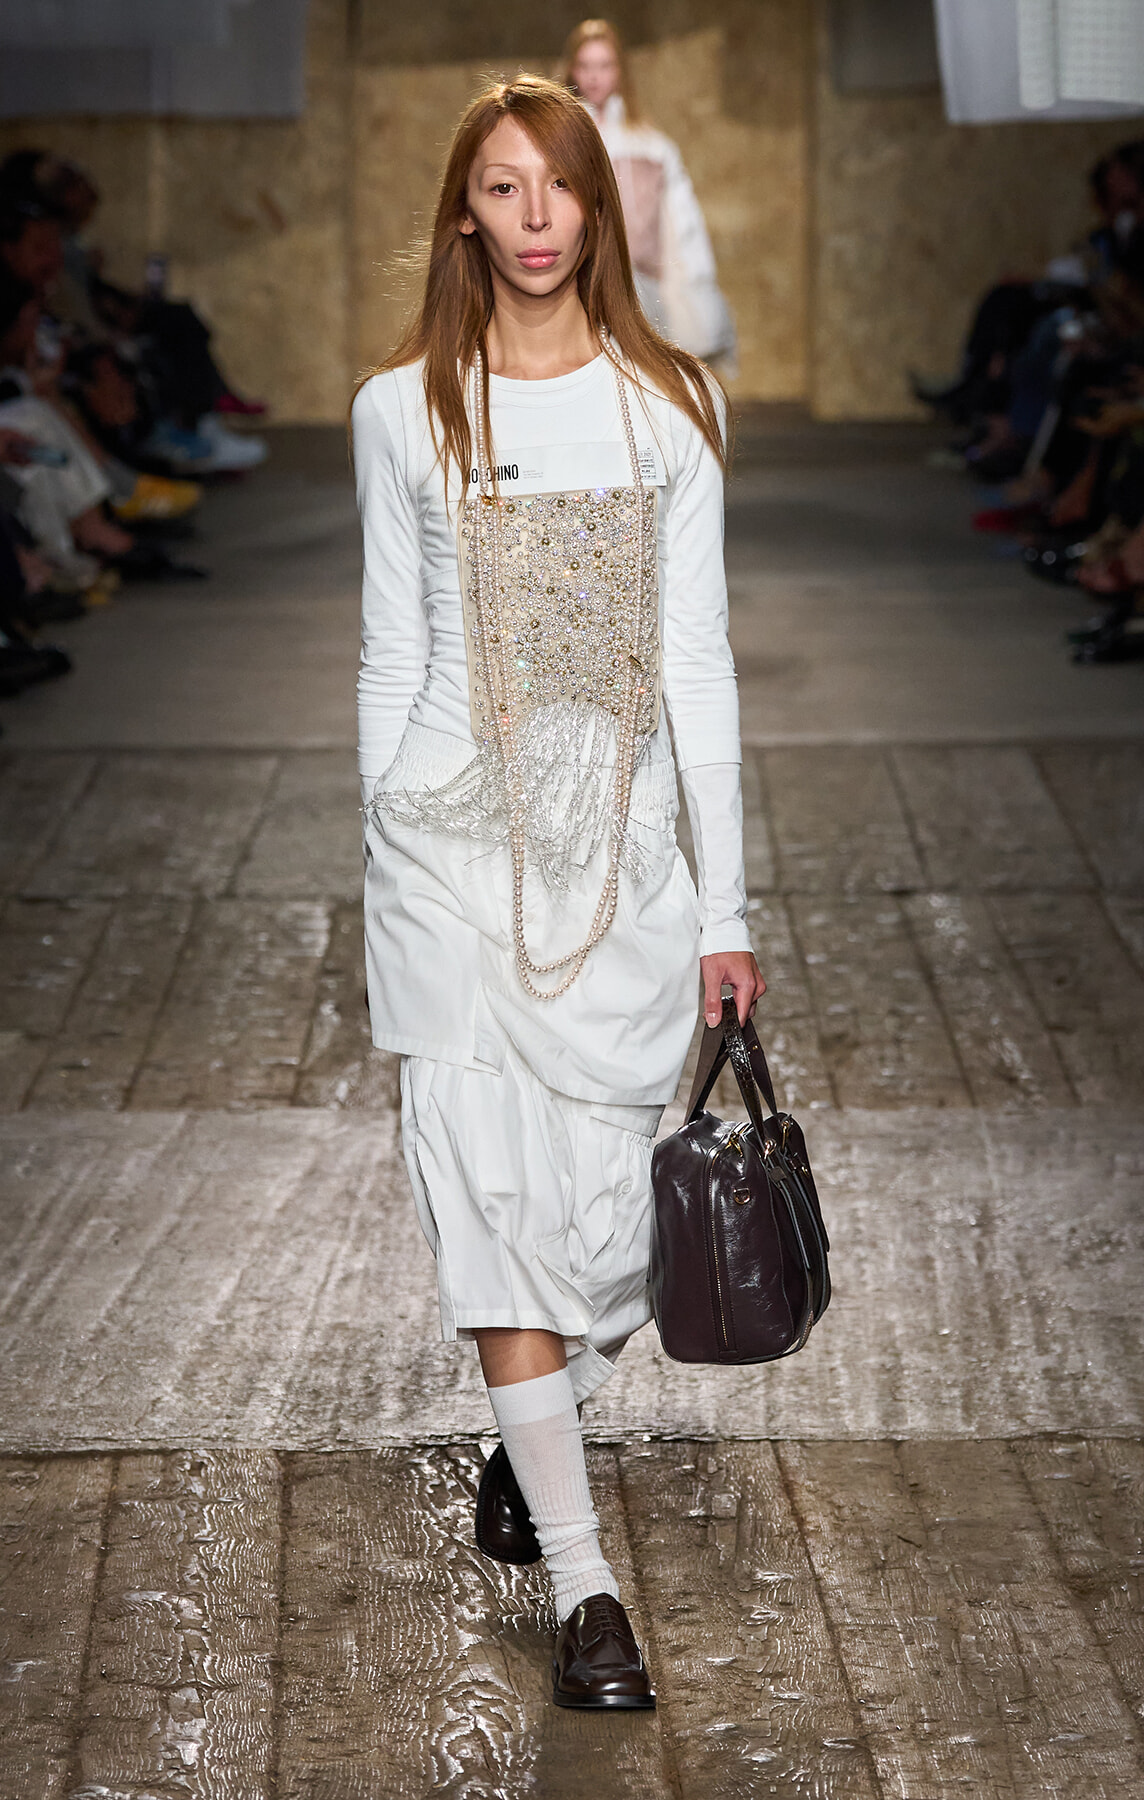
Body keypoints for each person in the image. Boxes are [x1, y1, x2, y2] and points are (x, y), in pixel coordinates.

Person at [352, 74, 762, 1707]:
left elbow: (702, 675)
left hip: (626, 872)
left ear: (600, 207)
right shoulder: (409, 406)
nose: (534, 219)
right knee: (492, 1212)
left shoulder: (673, 409)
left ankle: (539, 1424)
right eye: (504, 190)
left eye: (560, 189)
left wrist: (725, 905)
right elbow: (394, 647)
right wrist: (386, 830)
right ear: (465, 210)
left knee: (604, 1238)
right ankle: (591, 1601)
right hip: (454, 862)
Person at [559, 18, 736, 370]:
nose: (594, 76)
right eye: (585, 65)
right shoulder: (562, 140)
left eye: (605, 65)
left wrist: (695, 287)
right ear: (572, 69)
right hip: (578, 282)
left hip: (645, 285)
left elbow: (683, 224)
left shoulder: (653, 146)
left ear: (620, 70)